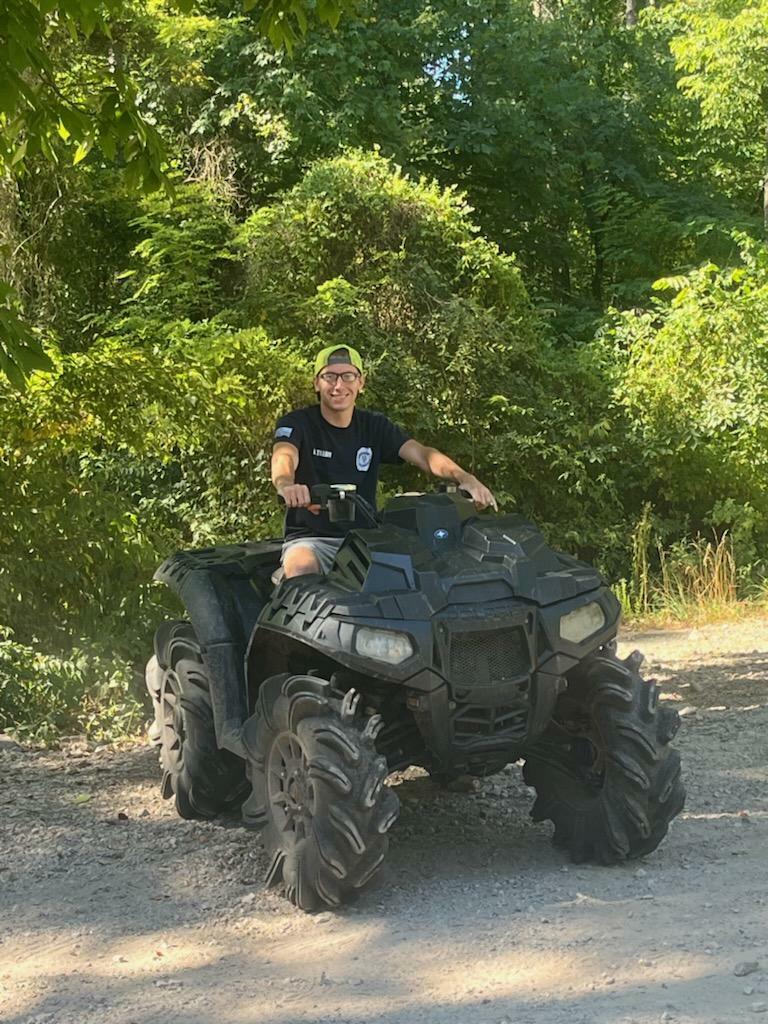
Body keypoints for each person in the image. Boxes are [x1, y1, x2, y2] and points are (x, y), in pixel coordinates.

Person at [271, 344, 497, 578]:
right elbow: (284, 456)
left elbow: (423, 455)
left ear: (361, 383)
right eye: (329, 377)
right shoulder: (298, 423)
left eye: (348, 376)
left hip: (367, 540)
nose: (338, 385)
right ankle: (285, 584)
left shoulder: (374, 426)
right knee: (302, 567)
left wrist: (465, 478)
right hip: (313, 540)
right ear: (317, 383)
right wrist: (286, 484)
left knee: (418, 573)